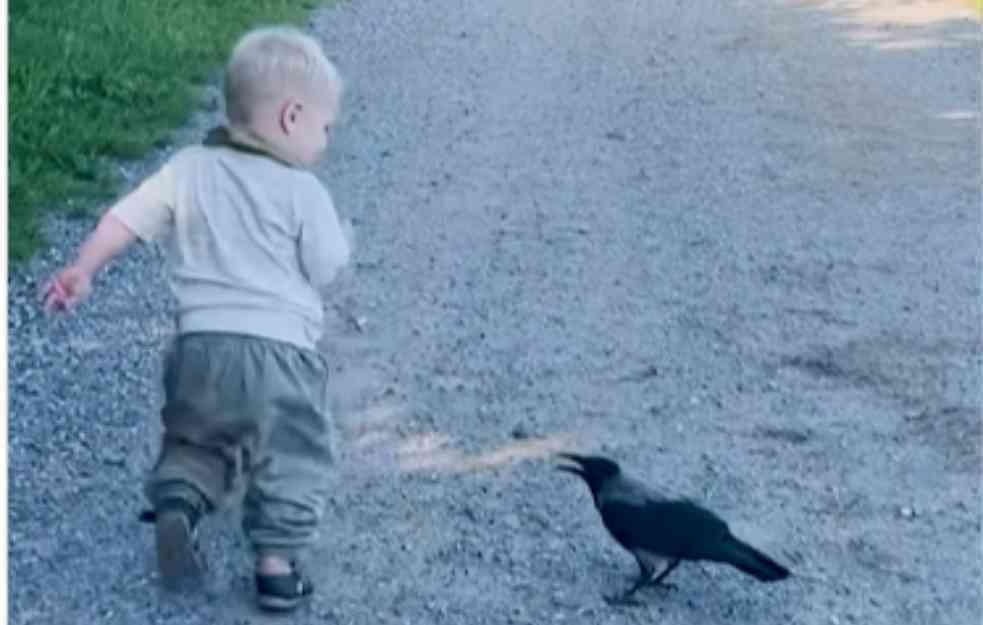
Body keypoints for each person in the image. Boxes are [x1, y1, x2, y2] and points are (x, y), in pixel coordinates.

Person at [41, 25, 352, 613]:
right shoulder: (303, 190)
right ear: (291, 117)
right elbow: (327, 266)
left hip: (198, 350)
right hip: (281, 358)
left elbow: (125, 219)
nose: (325, 139)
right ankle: (277, 565)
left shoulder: (189, 167)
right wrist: (343, 243)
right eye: (324, 126)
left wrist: (83, 269)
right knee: (291, 452)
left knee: (197, 438)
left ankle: (180, 500)